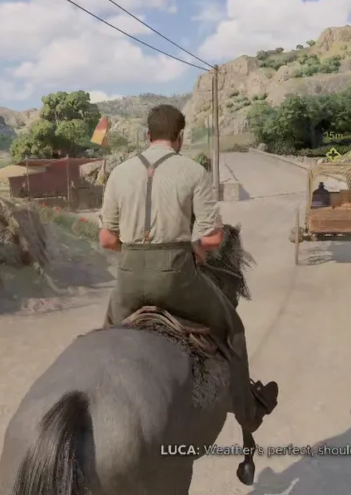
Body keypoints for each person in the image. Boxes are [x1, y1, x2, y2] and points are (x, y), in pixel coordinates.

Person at [98, 104, 278, 433]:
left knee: (105, 337)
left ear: (147, 135)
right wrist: (195, 248)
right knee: (233, 328)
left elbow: (107, 239)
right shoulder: (194, 172)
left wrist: (136, 253)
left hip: (128, 281)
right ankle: (248, 412)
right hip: (177, 280)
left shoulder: (119, 174)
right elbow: (213, 238)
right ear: (180, 136)